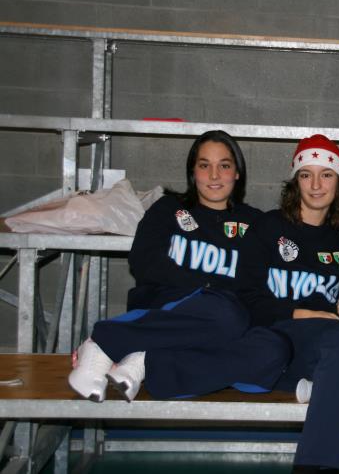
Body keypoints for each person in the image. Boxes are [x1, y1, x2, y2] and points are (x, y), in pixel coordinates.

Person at [68, 130, 289, 402]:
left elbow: (262, 280)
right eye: (204, 165)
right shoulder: (168, 209)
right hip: (171, 307)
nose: (214, 175)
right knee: (226, 313)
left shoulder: (255, 222)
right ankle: (105, 342)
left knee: (274, 349)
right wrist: (208, 288)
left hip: (224, 326)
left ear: (237, 173)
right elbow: (144, 262)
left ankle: (149, 363)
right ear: (192, 172)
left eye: (224, 166)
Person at [239, 134, 339, 474]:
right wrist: (309, 313)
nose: (315, 184)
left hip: (327, 348)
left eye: (326, 175)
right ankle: (316, 466)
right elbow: (248, 299)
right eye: (306, 174)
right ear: (295, 182)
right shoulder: (267, 227)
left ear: (338, 183)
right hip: (276, 339)